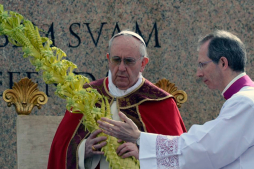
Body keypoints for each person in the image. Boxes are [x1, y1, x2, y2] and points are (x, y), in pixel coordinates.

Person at [98, 30, 254, 169]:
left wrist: (139, 138)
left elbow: (203, 150)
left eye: (202, 65)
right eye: (116, 59)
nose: (198, 74)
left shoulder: (245, 103)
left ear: (223, 63)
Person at [48, 30, 186, 169]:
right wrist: (83, 150)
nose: (121, 68)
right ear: (108, 59)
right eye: (116, 60)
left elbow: (180, 155)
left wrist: (143, 154)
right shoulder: (86, 95)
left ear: (143, 63)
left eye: (129, 61)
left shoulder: (161, 103)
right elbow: (59, 148)